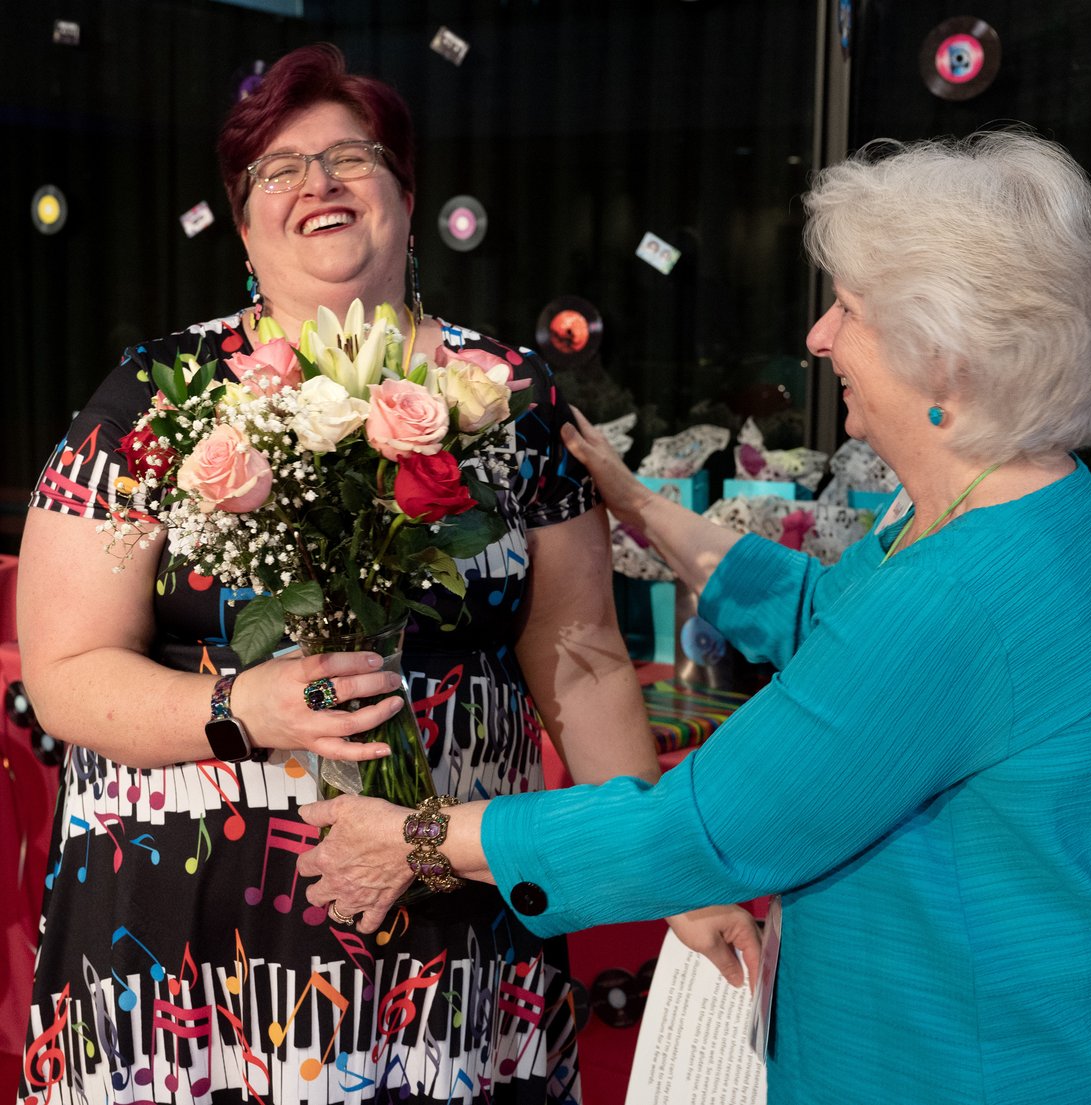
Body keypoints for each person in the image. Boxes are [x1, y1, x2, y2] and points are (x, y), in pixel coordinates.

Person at [296, 131, 1091, 1104]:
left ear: (948, 357)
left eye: (851, 310)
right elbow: (824, 613)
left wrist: (419, 839)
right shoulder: (1030, 498)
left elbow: (700, 828)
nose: (818, 338)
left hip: (970, 1061)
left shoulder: (961, 592)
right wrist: (642, 506)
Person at [17, 43, 673, 1105]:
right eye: (279, 169)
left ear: (408, 198)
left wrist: (659, 861)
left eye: (351, 158)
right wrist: (247, 705)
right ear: (242, 225)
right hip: (187, 946)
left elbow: (583, 655)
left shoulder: (506, 394)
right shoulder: (150, 401)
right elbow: (67, 667)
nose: (317, 182)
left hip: (452, 918)